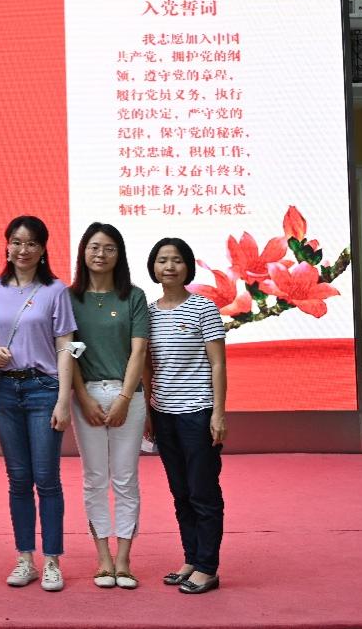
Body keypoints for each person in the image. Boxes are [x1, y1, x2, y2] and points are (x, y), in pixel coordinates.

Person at [0, 214, 76, 593]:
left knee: (46, 478)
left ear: (43, 249)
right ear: (7, 246)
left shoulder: (55, 290)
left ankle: (52, 560)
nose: (23, 250)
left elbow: (65, 346)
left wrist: (64, 399)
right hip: (5, 391)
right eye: (17, 242)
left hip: (43, 389)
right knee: (18, 479)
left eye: (32, 243)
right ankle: (25, 558)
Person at [68, 222, 148, 590]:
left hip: (127, 396)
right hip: (85, 396)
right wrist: (83, 398)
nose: (101, 254)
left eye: (109, 248)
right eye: (94, 247)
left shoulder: (133, 296)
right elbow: (68, 352)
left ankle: (124, 560)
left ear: (120, 254)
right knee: (95, 479)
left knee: (126, 478)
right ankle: (103, 558)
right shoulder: (69, 298)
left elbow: (139, 351)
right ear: (83, 252)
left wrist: (124, 398)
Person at [144, 237, 227, 595]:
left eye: (177, 260)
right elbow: (147, 365)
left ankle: (208, 567)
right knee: (180, 492)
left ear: (188, 266)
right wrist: (149, 411)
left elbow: (218, 363)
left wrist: (218, 413)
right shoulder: (148, 312)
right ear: (153, 267)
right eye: (162, 260)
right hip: (163, 414)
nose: (170, 266)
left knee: (202, 492)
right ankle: (191, 558)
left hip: (198, 414)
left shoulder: (203, 308)